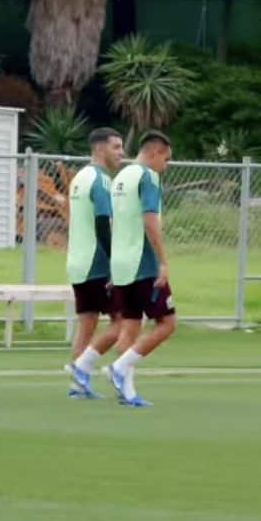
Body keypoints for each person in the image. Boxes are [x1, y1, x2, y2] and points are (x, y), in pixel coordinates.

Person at [105, 131, 177, 408]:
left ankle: (128, 391)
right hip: (142, 263)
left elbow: (113, 223)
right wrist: (163, 261)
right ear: (155, 153)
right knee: (168, 323)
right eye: (166, 159)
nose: (166, 166)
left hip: (121, 264)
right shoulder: (148, 177)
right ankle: (119, 368)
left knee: (131, 326)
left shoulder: (120, 178)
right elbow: (150, 221)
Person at [63, 127, 126, 399]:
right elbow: (103, 223)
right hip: (96, 264)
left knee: (87, 324)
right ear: (100, 149)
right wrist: (116, 263)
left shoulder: (79, 177)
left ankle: (78, 385)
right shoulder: (100, 180)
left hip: (77, 262)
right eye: (116, 147)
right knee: (124, 322)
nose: (122, 153)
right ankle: (81, 367)